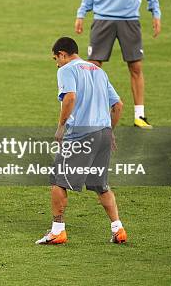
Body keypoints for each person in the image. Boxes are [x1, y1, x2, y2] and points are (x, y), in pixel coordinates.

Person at [36, 37, 127, 245]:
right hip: (103, 133)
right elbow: (118, 105)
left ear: (62, 54)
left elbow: (70, 97)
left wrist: (61, 127)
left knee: (58, 181)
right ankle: (118, 228)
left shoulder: (67, 70)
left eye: (55, 58)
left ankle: (58, 230)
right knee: (101, 185)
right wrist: (109, 131)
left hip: (80, 135)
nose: (56, 63)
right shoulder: (99, 71)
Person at [75, 0, 161, 129]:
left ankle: (139, 116)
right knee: (93, 67)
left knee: (135, 66)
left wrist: (155, 12)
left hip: (129, 19)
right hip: (103, 18)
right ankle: (91, 116)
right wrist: (81, 12)